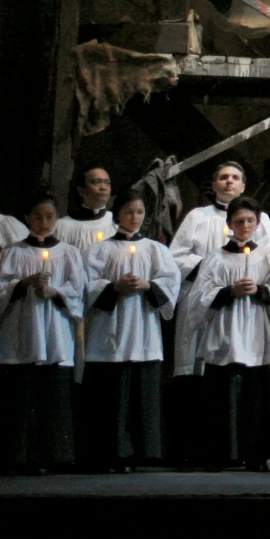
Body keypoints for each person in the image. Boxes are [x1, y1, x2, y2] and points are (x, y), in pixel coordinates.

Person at [81, 191, 181, 471]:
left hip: (142, 330)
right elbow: (86, 286)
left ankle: (139, 454)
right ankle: (107, 454)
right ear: (117, 215)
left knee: (140, 397)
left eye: (139, 212)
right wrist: (114, 287)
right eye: (128, 212)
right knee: (109, 398)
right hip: (109, 332)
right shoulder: (99, 250)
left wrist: (148, 285)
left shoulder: (155, 250)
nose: (134, 217)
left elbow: (171, 282)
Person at [0, 192, 85, 473]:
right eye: (38, 217)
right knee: (21, 397)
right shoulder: (13, 252)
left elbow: (78, 291)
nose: (44, 222)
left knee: (52, 396)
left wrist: (55, 292)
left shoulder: (68, 252)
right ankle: (19, 457)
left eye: (50, 217)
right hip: (21, 333)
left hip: (55, 334)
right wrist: (22, 283)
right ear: (27, 218)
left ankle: (54, 457)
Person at [184, 195, 270, 471]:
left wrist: (261, 290)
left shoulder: (268, 257)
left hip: (254, 332)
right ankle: (219, 454)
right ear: (229, 224)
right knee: (219, 396)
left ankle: (255, 455)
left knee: (255, 397)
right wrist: (229, 291)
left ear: (258, 224)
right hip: (224, 329)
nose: (245, 226)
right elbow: (198, 298)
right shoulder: (215, 257)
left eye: (250, 220)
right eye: (239, 221)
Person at [170, 157, 252, 383]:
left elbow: (269, 259)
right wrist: (209, 266)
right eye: (223, 177)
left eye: (235, 178)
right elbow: (175, 257)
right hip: (200, 295)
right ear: (214, 185)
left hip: (239, 298)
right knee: (197, 367)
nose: (229, 181)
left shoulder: (257, 218)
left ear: (243, 187)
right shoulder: (197, 216)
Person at [57, 165, 117, 248]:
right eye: (96, 182)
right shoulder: (63, 227)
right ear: (81, 190)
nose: (103, 187)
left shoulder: (117, 222)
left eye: (107, 183)